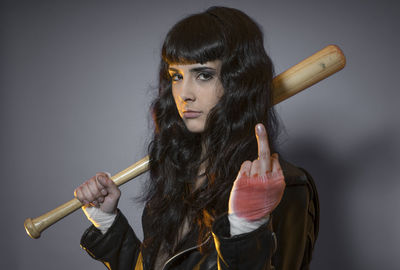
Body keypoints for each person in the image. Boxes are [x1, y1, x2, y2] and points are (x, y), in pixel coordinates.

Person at [74, 6, 319, 270]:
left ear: (238, 82)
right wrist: (110, 227)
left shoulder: (284, 187)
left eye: (204, 75)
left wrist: (246, 230)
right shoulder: (177, 176)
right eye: (176, 76)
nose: (184, 94)